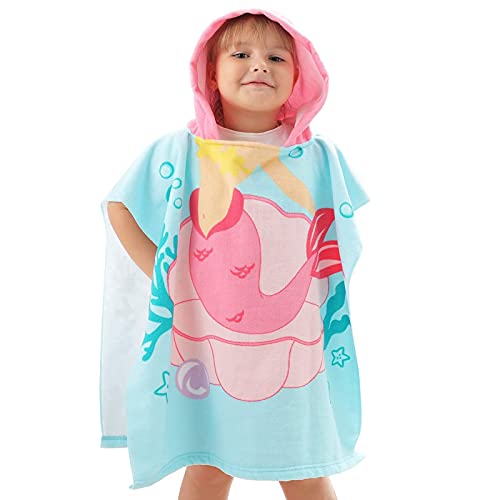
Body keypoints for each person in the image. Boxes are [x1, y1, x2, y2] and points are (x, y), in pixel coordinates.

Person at [99, 8, 370, 500]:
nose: (259, 65)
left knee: (305, 469)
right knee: (207, 467)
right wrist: (166, 275)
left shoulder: (318, 158)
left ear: (300, 77)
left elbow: (339, 242)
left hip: (293, 354)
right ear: (211, 74)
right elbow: (120, 206)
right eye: (241, 54)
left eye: (277, 58)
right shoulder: (182, 151)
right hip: (208, 350)